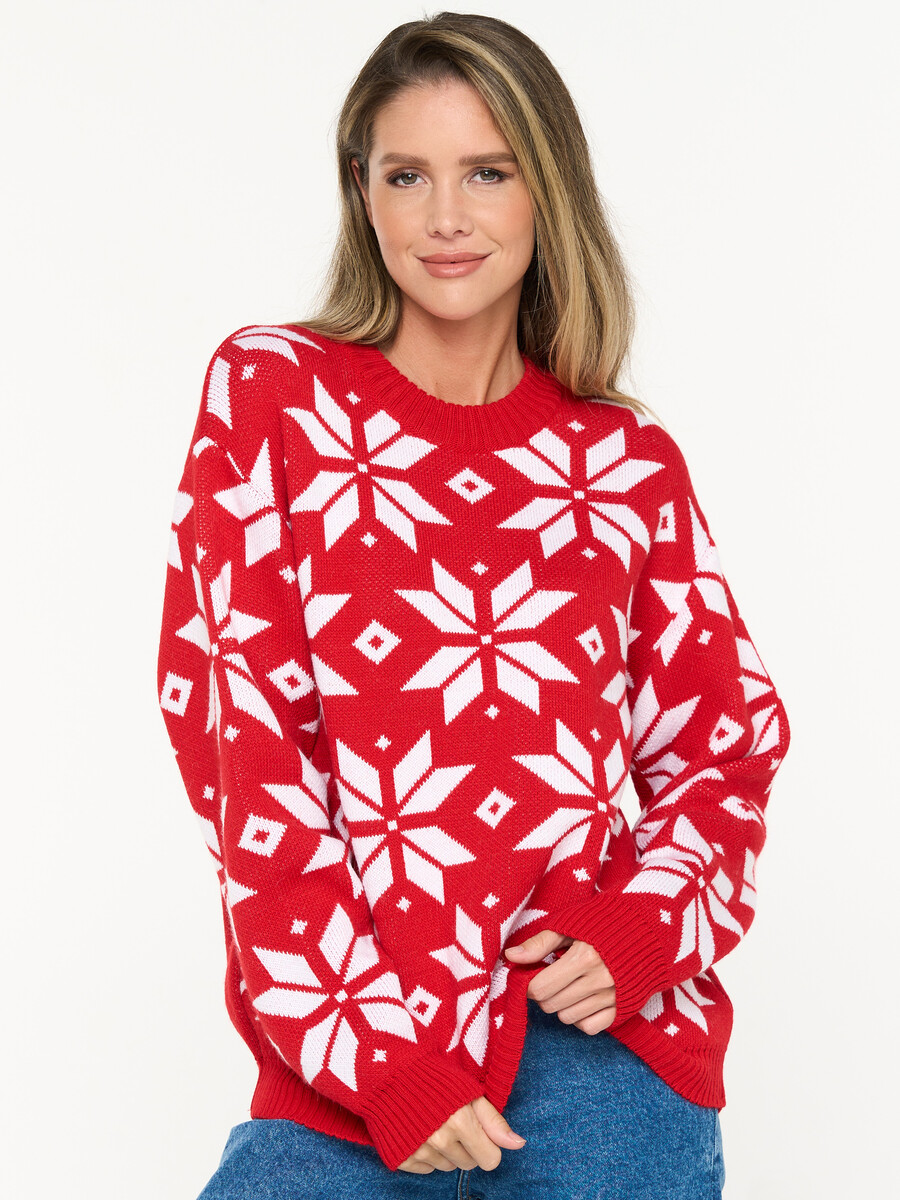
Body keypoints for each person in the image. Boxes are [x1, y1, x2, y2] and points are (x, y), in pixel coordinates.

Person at [157, 12, 790, 1199]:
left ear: (547, 190)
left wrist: (641, 931)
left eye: (488, 173)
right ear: (363, 192)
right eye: (408, 175)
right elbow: (242, 752)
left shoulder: (623, 462)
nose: (446, 215)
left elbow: (726, 741)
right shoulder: (274, 399)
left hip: (606, 1056)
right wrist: (383, 1060)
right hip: (358, 1060)